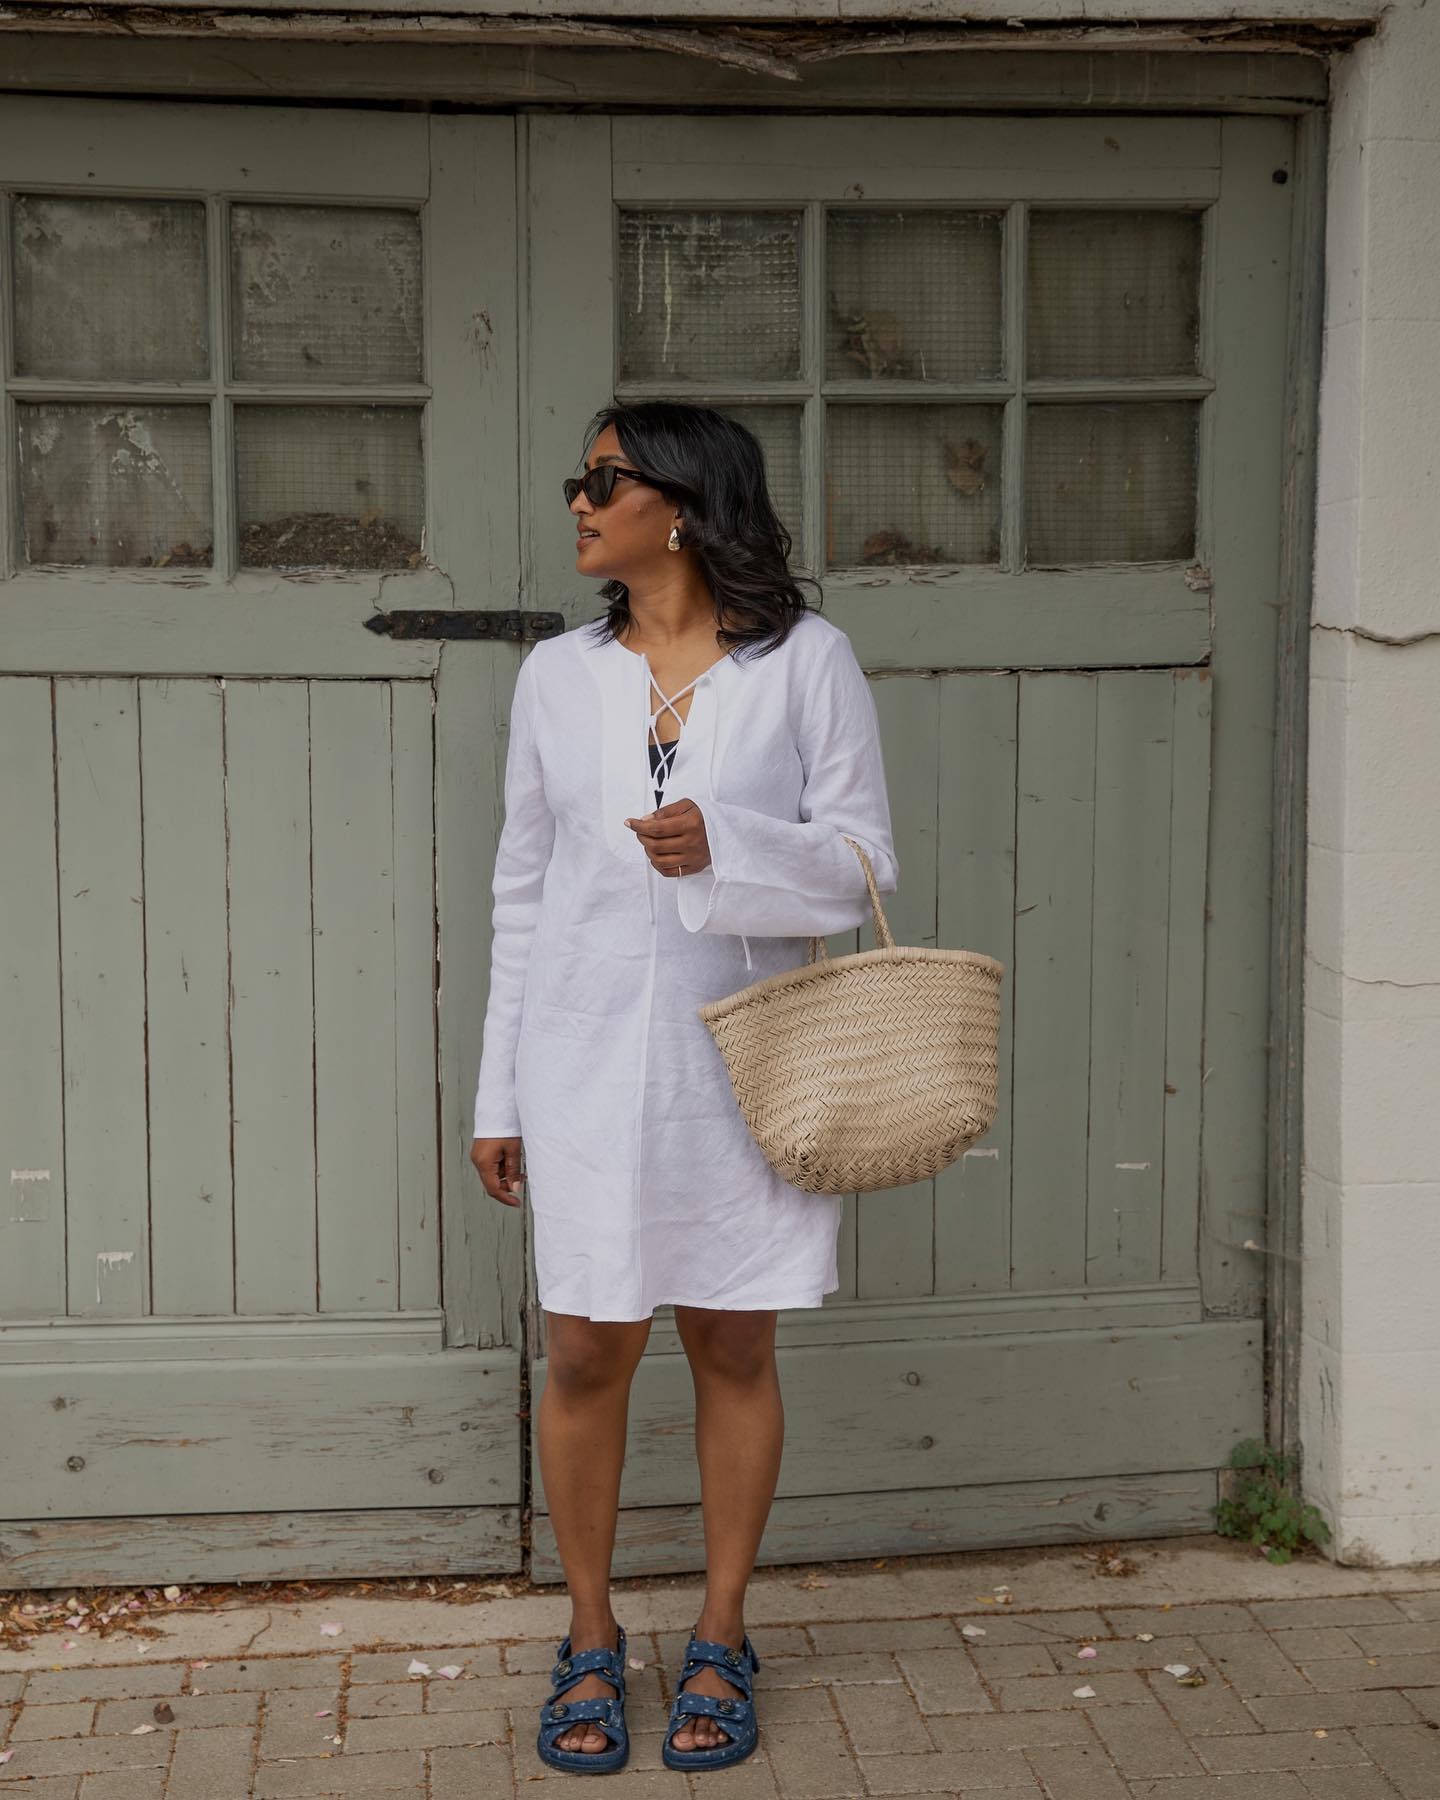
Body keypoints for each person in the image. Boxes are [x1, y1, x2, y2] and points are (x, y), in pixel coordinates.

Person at [470, 400, 898, 1775]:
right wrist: (500, 1091)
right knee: (589, 1347)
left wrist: (728, 843)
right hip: (585, 1056)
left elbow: (863, 864)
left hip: (745, 1060)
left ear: (685, 503)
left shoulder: (806, 665)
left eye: (604, 478)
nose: (579, 501)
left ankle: (720, 1631)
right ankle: (589, 1635)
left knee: (736, 1344)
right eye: (580, 476)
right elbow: (520, 893)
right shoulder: (555, 676)